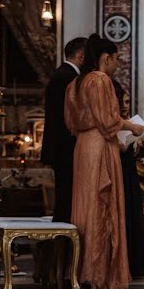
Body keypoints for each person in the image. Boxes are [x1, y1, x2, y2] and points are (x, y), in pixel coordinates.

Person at [65, 34, 144, 289]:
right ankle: (101, 274)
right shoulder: (100, 80)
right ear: (106, 58)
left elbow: (72, 123)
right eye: (116, 59)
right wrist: (132, 126)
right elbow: (109, 121)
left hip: (83, 147)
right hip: (100, 148)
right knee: (103, 207)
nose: (117, 64)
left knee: (86, 208)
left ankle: (84, 270)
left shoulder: (75, 83)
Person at [41, 37, 86, 223]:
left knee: (66, 196)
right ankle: (64, 243)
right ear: (81, 55)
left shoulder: (61, 74)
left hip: (61, 145)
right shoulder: (68, 77)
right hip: (65, 146)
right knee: (66, 198)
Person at [111, 80, 144, 279]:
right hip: (118, 174)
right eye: (122, 102)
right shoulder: (112, 124)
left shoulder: (132, 122)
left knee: (134, 214)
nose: (126, 106)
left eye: (127, 102)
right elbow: (118, 147)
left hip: (130, 174)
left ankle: (136, 263)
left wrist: (139, 141)